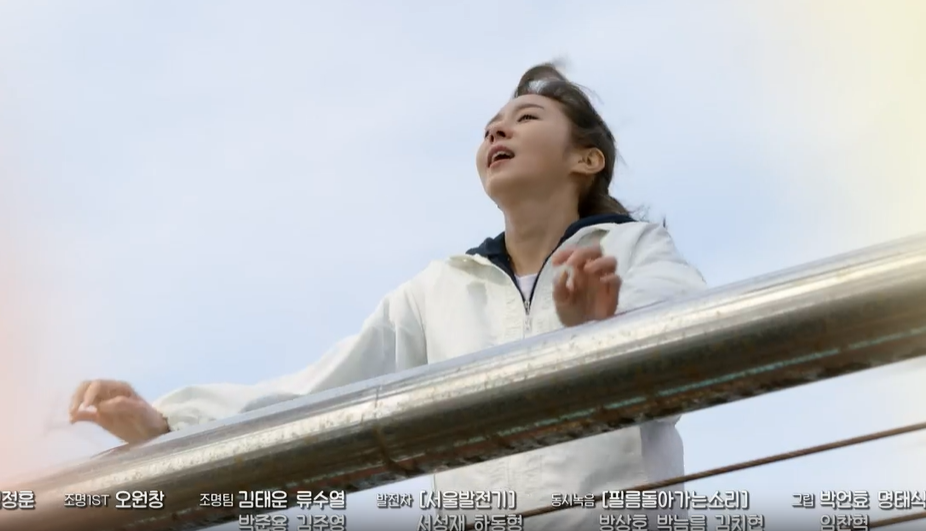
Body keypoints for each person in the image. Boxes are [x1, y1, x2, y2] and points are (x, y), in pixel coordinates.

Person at [70, 62, 707, 530]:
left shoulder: (633, 248)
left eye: (526, 118)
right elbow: (317, 392)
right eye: (490, 127)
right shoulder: (440, 288)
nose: (497, 132)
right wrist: (170, 422)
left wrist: (601, 326)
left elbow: (693, 343)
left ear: (587, 160)